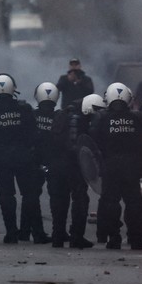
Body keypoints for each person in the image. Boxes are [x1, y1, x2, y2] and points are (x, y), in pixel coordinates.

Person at [92, 82, 142, 250]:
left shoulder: (101, 117)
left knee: (111, 202)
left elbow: (94, 143)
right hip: (132, 166)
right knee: (134, 203)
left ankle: (114, 238)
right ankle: (136, 239)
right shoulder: (138, 117)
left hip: (110, 165)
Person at [0, 74, 41, 244]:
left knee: (7, 196)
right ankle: (33, 232)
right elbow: (34, 134)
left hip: (2, 160)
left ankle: (11, 233)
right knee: (30, 194)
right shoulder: (24, 109)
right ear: (13, 89)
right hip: (24, 158)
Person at [48, 93, 100, 249]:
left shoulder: (63, 114)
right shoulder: (79, 120)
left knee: (60, 200)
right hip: (74, 165)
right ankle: (76, 237)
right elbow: (80, 145)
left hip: (57, 165)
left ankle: (58, 236)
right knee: (80, 200)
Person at [28, 82, 60, 244]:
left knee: (31, 196)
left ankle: (33, 232)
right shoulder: (59, 116)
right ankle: (58, 231)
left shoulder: (31, 115)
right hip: (53, 160)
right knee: (57, 196)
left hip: (34, 160)